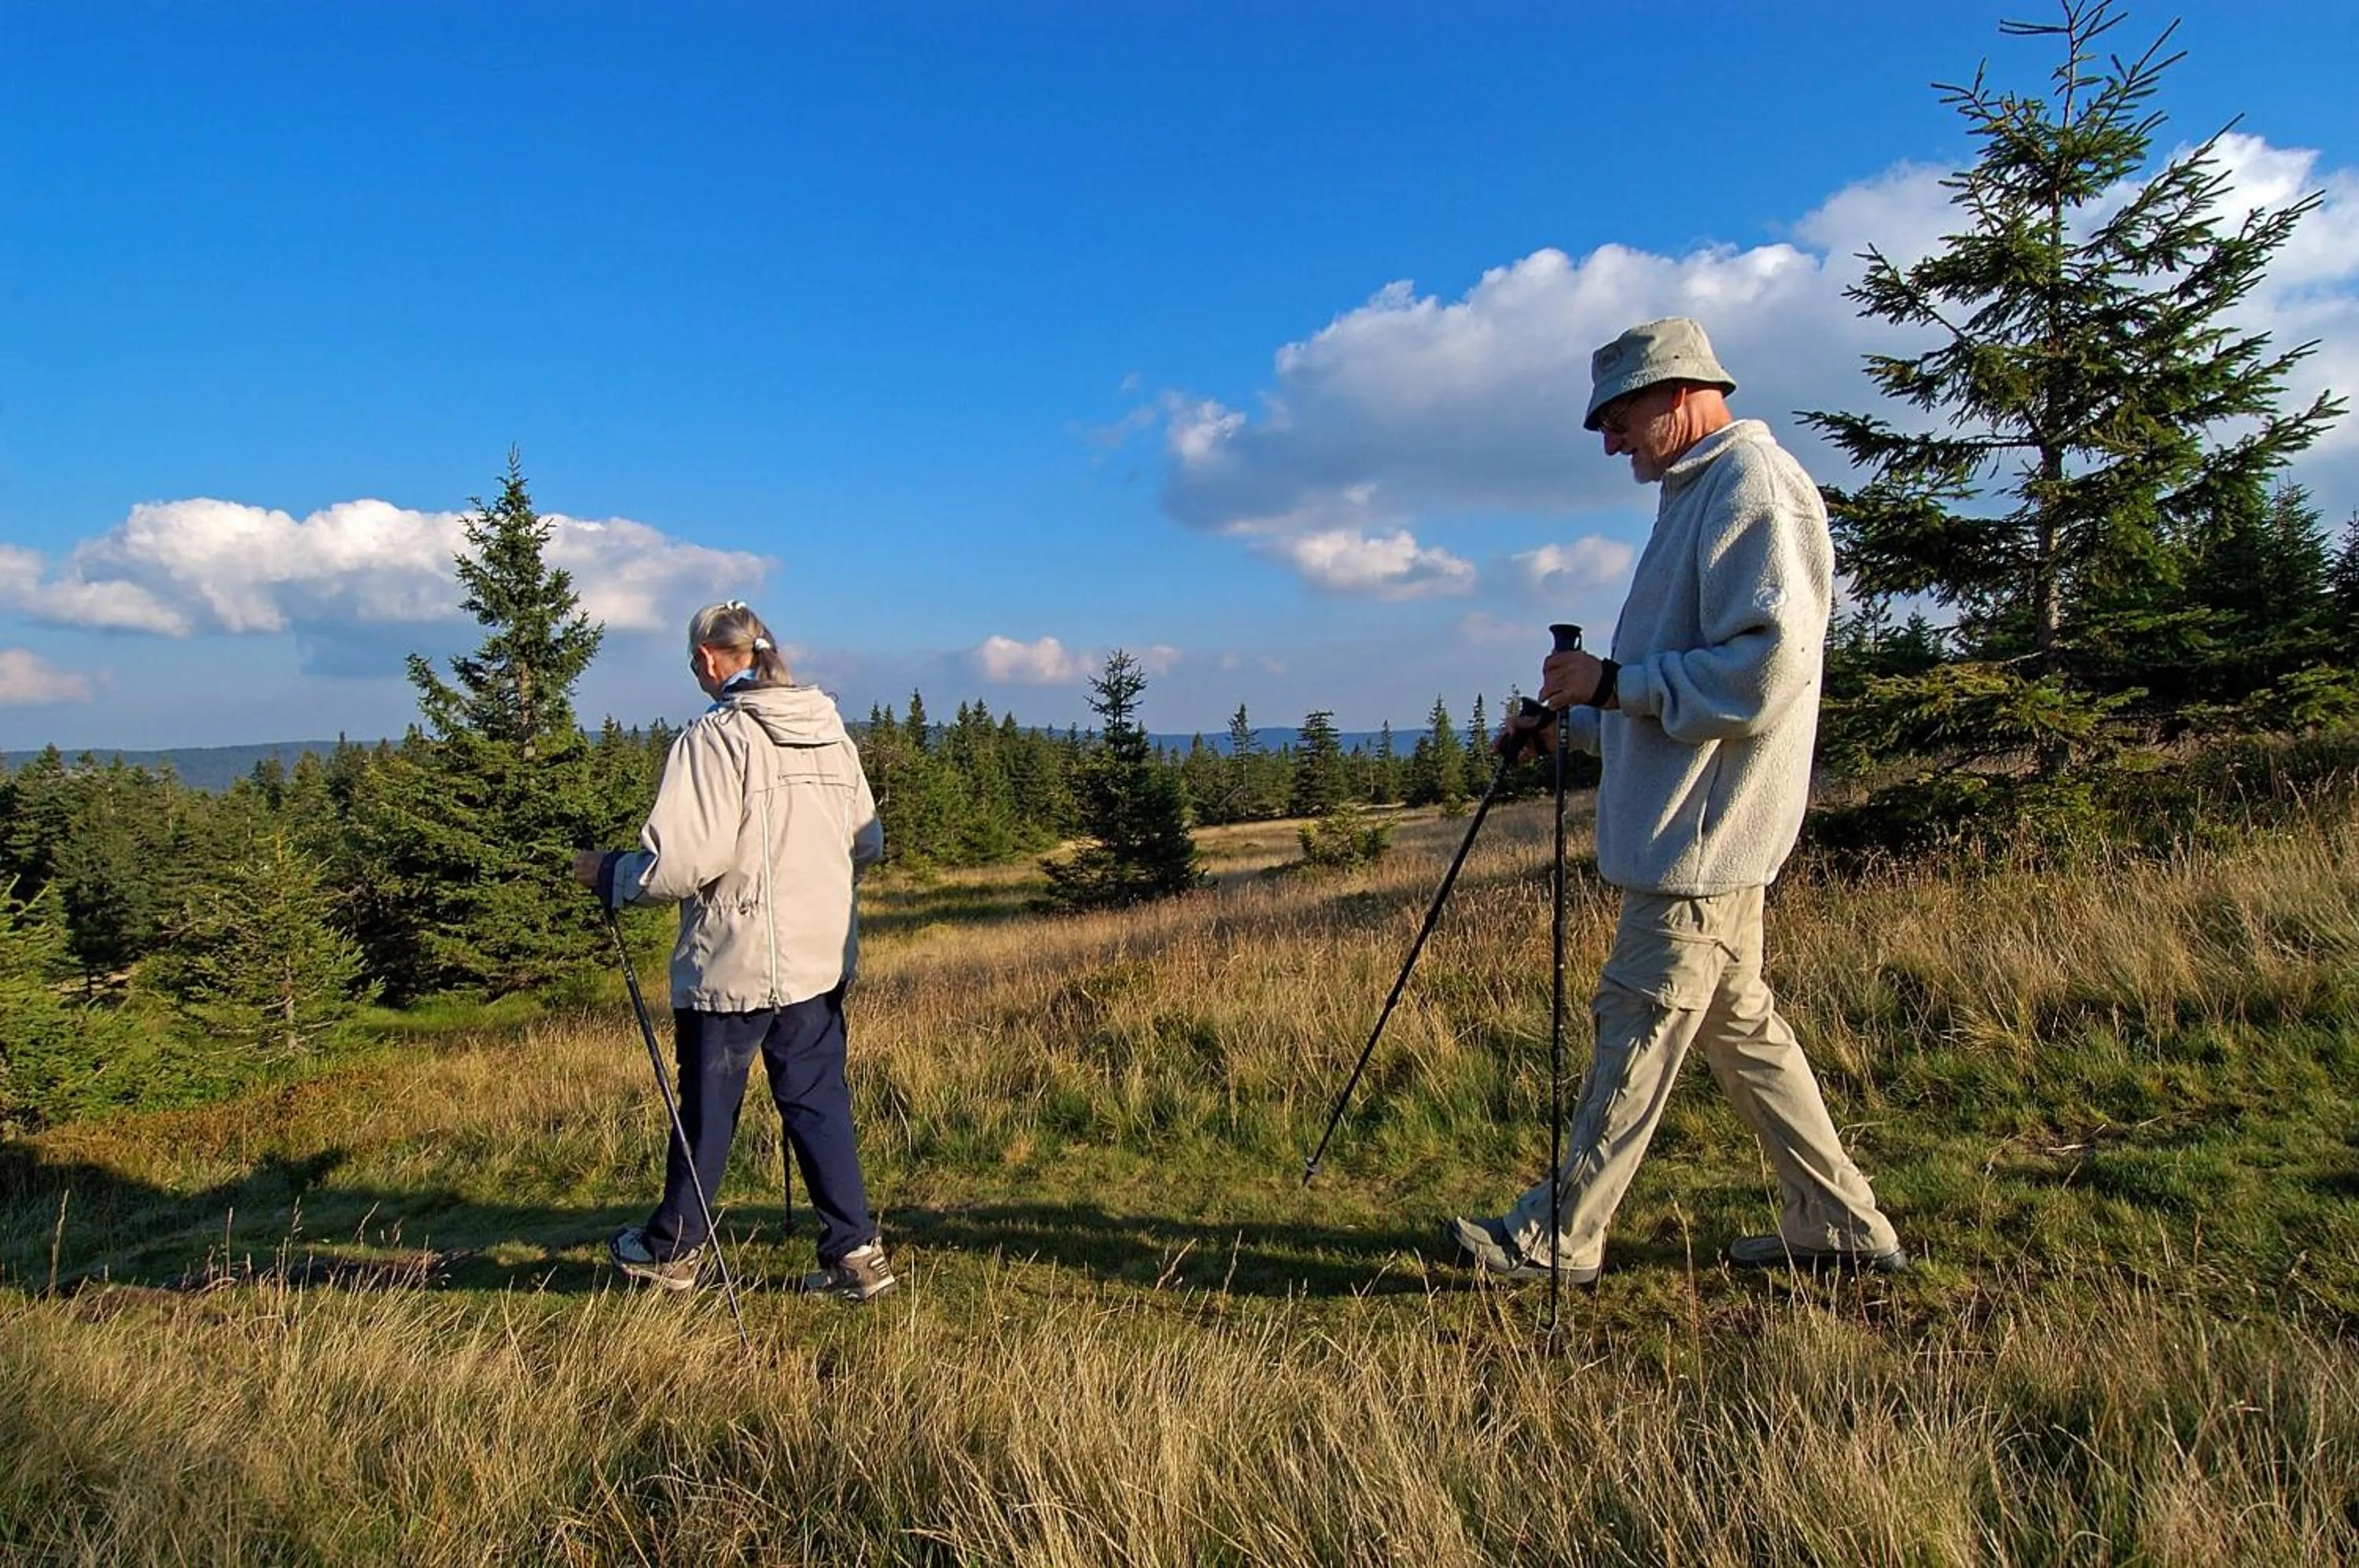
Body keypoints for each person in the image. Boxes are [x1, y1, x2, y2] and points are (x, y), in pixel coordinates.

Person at [1452, 317, 1906, 1283]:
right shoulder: (1698, 496)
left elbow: (1764, 671)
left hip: (1700, 837)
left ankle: (1556, 1236)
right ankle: (1838, 1222)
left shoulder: (1755, 488)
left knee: (1638, 1020)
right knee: (1738, 1024)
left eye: (1619, 417)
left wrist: (1613, 685)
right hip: (1702, 827)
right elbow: (1671, 680)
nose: (1611, 442)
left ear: (1680, 392)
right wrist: (1573, 724)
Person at [572, 599, 895, 1302]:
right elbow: (866, 843)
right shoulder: (829, 734)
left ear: (709, 660)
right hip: (817, 960)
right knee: (817, 1100)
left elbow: (684, 863)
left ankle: (673, 1250)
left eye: (696, 664)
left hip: (733, 961)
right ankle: (855, 1253)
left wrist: (615, 875)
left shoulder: (715, 740)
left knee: (708, 1108)